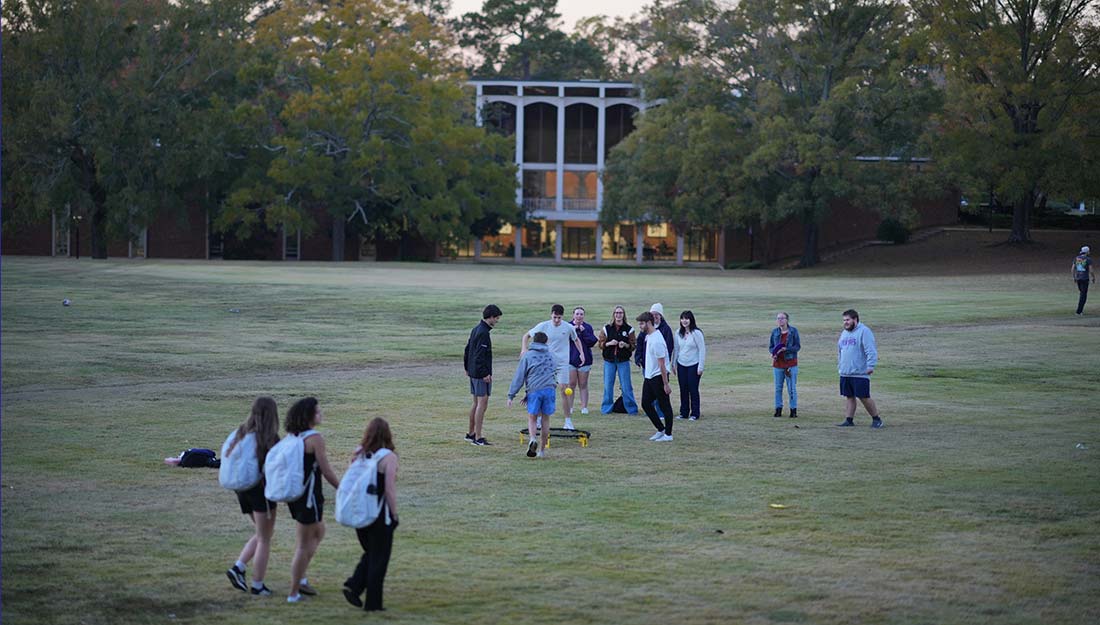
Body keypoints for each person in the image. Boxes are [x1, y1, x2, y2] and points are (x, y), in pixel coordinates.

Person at [285, 397, 341, 602]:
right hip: (309, 497)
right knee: (303, 544)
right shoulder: (315, 438)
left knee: (319, 531)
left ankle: (300, 578)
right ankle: (294, 591)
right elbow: (326, 470)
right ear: (309, 416)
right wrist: (342, 489)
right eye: (318, 411)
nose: (321, 414)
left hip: (296, 495)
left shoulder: (293, 435)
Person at [342, 418, 399, 612]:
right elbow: (389, 489)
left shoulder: (358, 453)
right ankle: (373, 604)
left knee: (372, 553)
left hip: (359, 513)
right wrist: (394, 514)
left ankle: (354, 585)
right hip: (379, 514)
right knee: (379, 559)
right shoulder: (388, 457)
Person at [226, 397, 281, 597]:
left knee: (261, 534)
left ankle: (238, 568)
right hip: (260, 491)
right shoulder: (269, 437)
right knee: (265, 538)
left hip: (241, 490)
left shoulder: (241, 432)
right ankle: (257, 585)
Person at [521, 304, 587, 430]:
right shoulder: (543, 326)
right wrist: (524, 349)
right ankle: (539, 419)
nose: (557, 320)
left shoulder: (568, 327)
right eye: (555, 317)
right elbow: (526, 336)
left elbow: (576, 340)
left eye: (559, 318)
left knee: (564, 390)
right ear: (551, 315)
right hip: (545, 363)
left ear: (562, 317)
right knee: (542, 390)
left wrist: (581, 353)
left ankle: (568, 421)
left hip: (562, 363)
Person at [507, 332, 557, 458]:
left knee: (532, 417)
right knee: (545, 419)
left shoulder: (528, 356)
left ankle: (533, 438)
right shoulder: (551, 356)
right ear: (546, 342)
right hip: (550, 388)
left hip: (535, 390)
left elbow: (519, 377)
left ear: (533, 342)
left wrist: (511, 395)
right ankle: (542, 451)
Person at [836, 310, 882, 428]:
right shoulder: (844, 333)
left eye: (847, 320)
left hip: (859, 372)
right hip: (846, 372)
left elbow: (870, 350)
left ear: (855, 319)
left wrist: (871, 365)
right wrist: (840, 366)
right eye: (844, 320)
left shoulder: (864, 331)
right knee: (849, 396)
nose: (845, 323)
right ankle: (849, 420)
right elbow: (840, 350)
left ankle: (877, 419)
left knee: (864, 397)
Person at [464, 304, 502, 446]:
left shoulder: (476, 329)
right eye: (496, 318)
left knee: (476, 403)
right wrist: (485, 373)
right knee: (482, 403)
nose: (497, 321)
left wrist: (467, 367)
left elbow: (467, 349)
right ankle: (478, 437)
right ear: (491, 317)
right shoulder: (483, 333)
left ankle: (471, 433)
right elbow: (480, 356)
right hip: (480, 374)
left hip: (473, 372)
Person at [637, 311, 674, 441]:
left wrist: (665, 384)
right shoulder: (649, 336)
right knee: (646, 403)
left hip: (658, 377)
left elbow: (662, 364)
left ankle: (668, 435)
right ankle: (661, 429)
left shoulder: (657, 340)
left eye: (641, 324)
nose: (640, 327)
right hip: (649, 376)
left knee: (665, 406)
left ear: (648, 323)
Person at [597, 305, 638, 414]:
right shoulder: (607, 328)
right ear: (614, 315)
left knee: (626, 386)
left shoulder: (629, 329)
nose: (618, 315)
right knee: (608, 386)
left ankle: (631, 409)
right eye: (616, 313)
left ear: (623, 315)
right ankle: (606, 409)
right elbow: (600, 344)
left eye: (620, 313)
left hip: (623, 361)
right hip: (609, 361)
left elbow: (633, 345)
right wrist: (609, 343)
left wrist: (625, 345)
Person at [674, 311, 706, 420]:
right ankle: (684, 413)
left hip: (694, 364)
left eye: (686, 318)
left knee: (693, 389)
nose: (684, 321)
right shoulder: (678, 333)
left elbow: (702, 350)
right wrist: (674, 364)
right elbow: (677, 349)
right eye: (682, 318)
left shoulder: (696, 333)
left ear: (691, 320)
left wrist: (700, 367)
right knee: (683, 389)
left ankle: (695, 413)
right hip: (681, 364)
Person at [568, 307, 599, 415]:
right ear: (573, 315)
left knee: (583, 384)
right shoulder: (568, 326)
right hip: (570, 359)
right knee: (571, 384)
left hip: (585, 360)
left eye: (581, 314)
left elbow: (592, 342)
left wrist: (583, 331)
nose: (579, 316)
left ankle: (584, 407)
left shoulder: (587, 327)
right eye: (577, 314)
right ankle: (570, 407)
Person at [769, 312, 801, 418]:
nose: (780, 320)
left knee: (791, 388)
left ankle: (793, 410)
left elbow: (797, 347)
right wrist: (773, 353)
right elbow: (771, 347)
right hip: (778, 364)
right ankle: (778, 409)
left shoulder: (793, 331)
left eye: (782, 318)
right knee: (778, 388)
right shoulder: (774, 332)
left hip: (790, 363)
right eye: (778, 318)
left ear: (787, 320)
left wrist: (786, 349)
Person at [635, 303, 675, 374]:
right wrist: (638, 359)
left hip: (660, 367)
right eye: (652, 314)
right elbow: (639, 344)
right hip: (647, 365)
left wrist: (665, 362)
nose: (654, 316)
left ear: (661, 316)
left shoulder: (666, 329)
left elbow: (669, 347)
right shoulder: (646, 328)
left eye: (657, 314)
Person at [1073, 245, 1095, 315]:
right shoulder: (1088, 259)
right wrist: (1093, 277)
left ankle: (1079, 310)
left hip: (1078, 278)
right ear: (1087, 252)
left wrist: (1074, 277)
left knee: (1081, 294)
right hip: (1085, 279)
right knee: (1083, 295)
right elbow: (1091, 270)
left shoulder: (1076, 258)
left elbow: (1072, 269)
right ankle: (1079, 311)